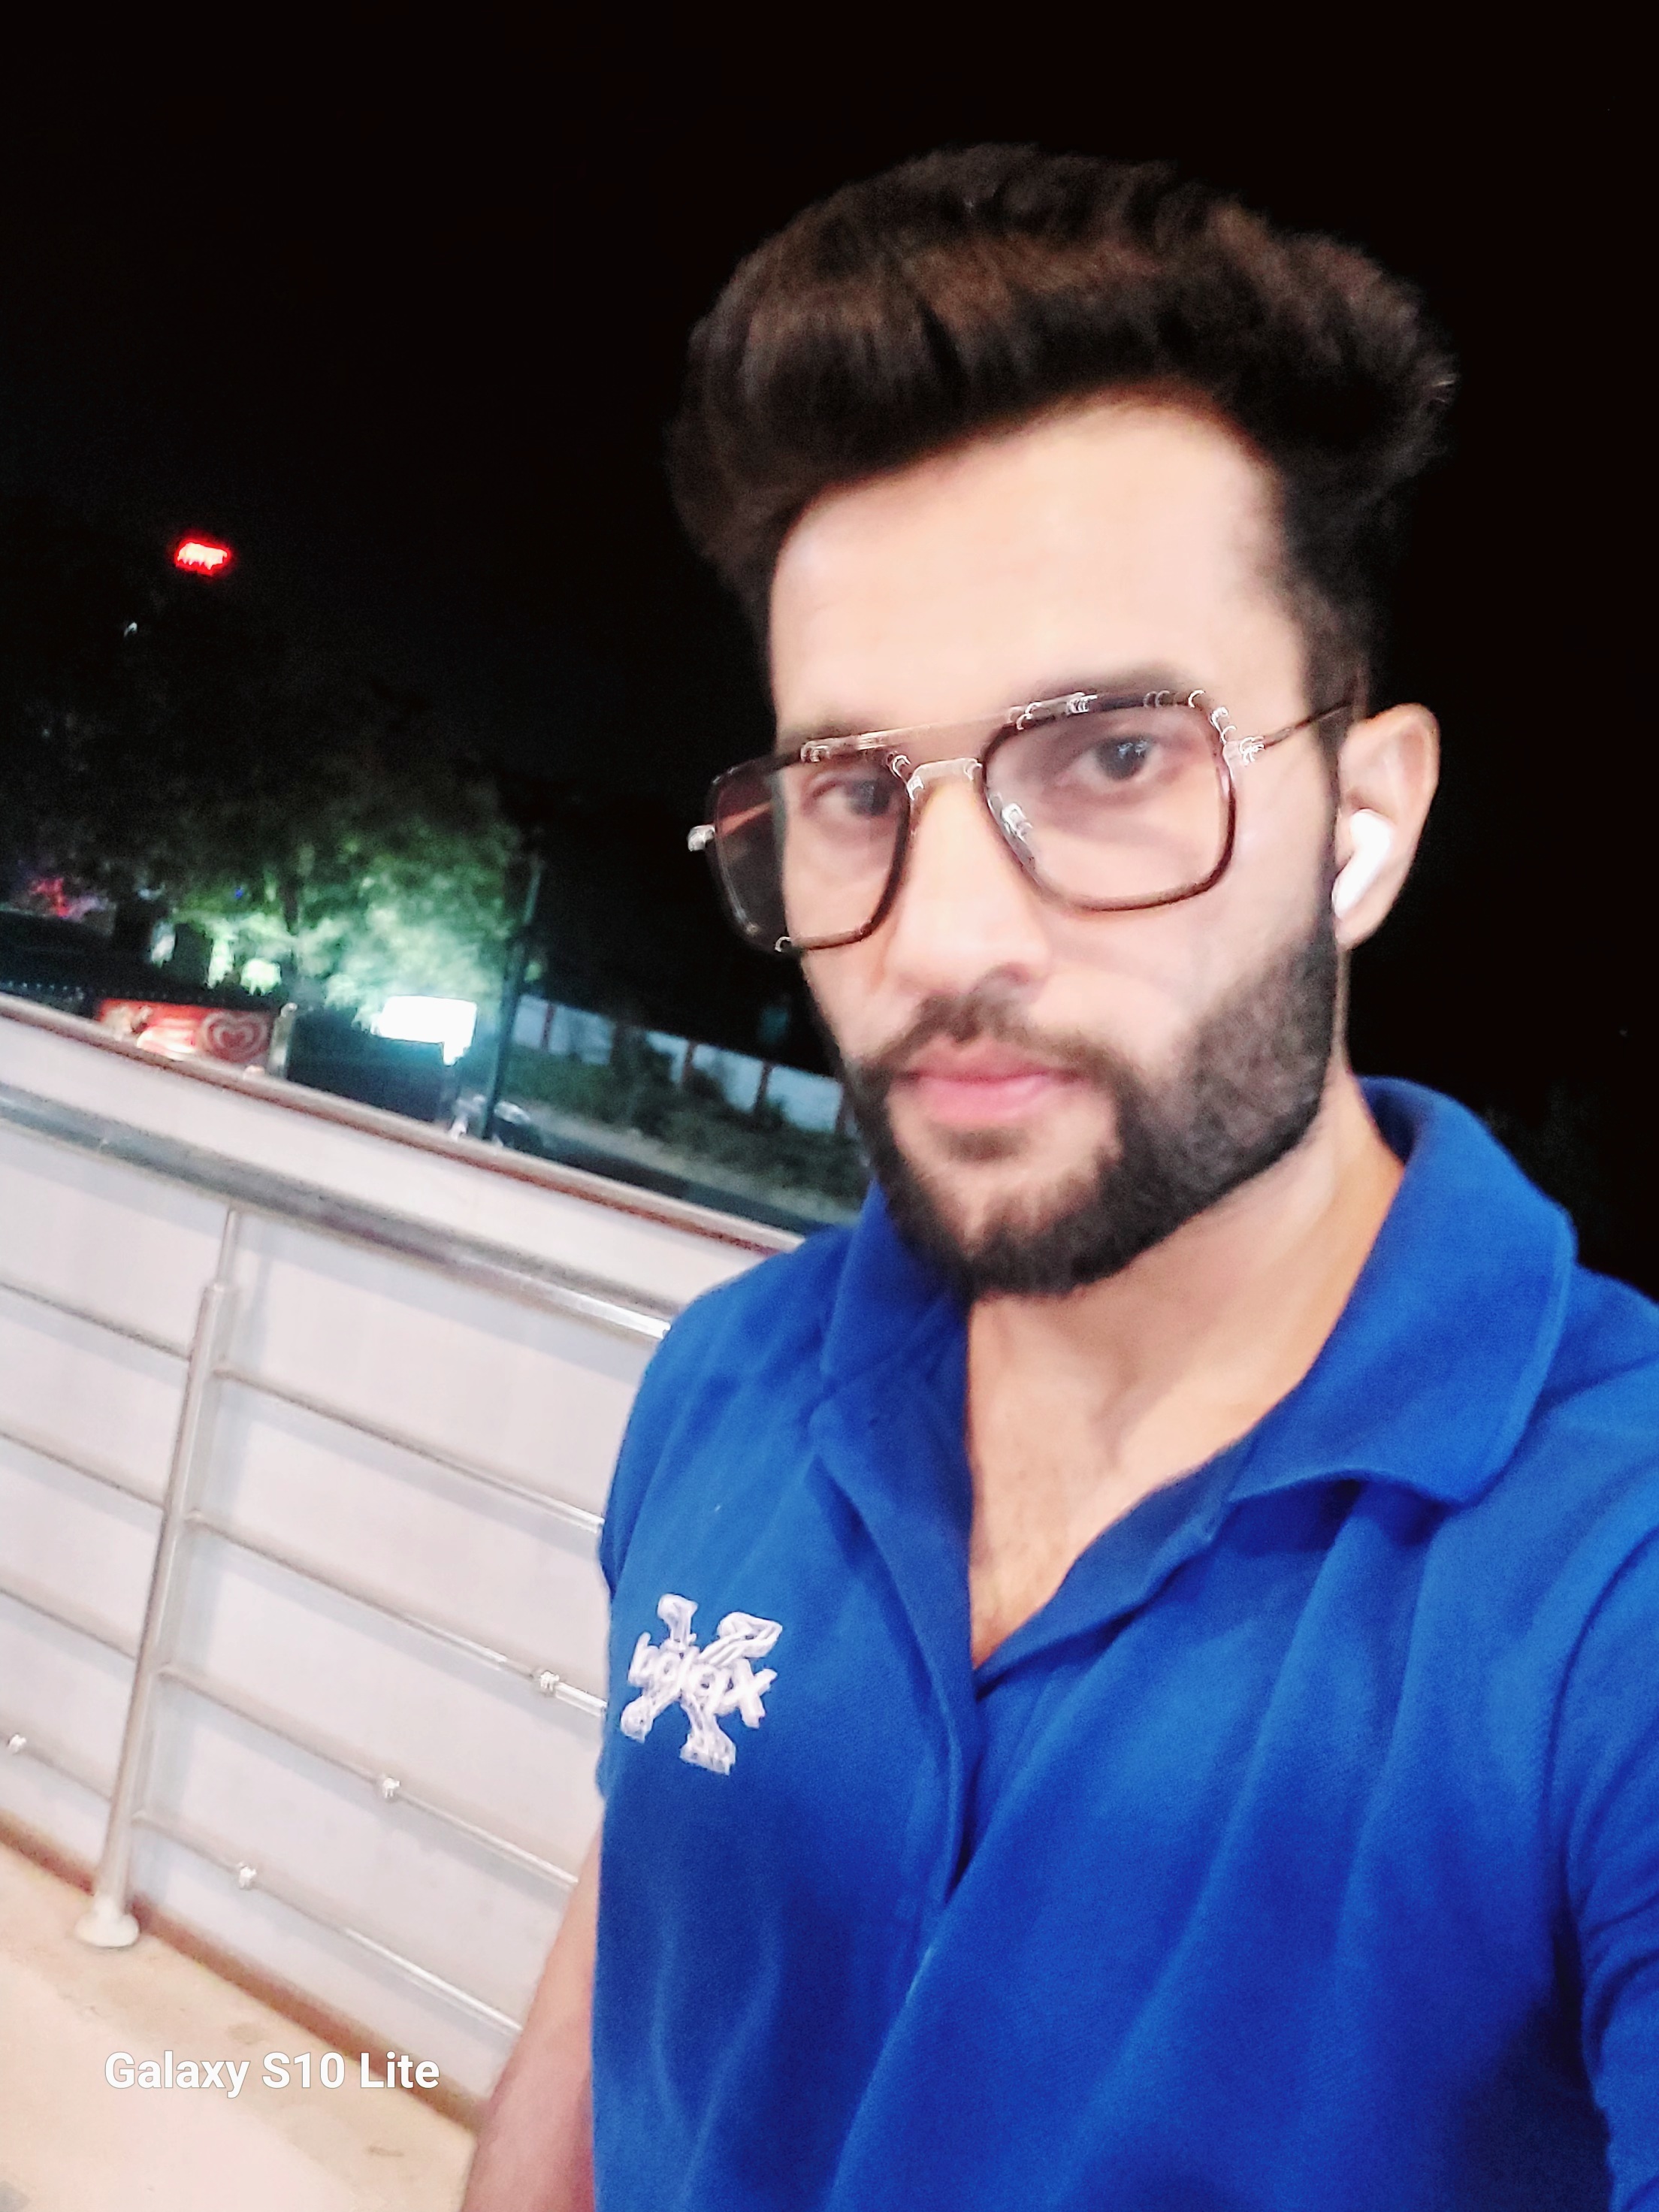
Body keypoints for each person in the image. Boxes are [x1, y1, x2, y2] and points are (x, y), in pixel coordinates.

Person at [462, 149, 1657, 2212]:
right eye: (855, 792)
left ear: (1363, 825)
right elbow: (626, 1995)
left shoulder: (1603, 1584)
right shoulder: (734, 1383)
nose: (939, 941)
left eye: (1113, 759)